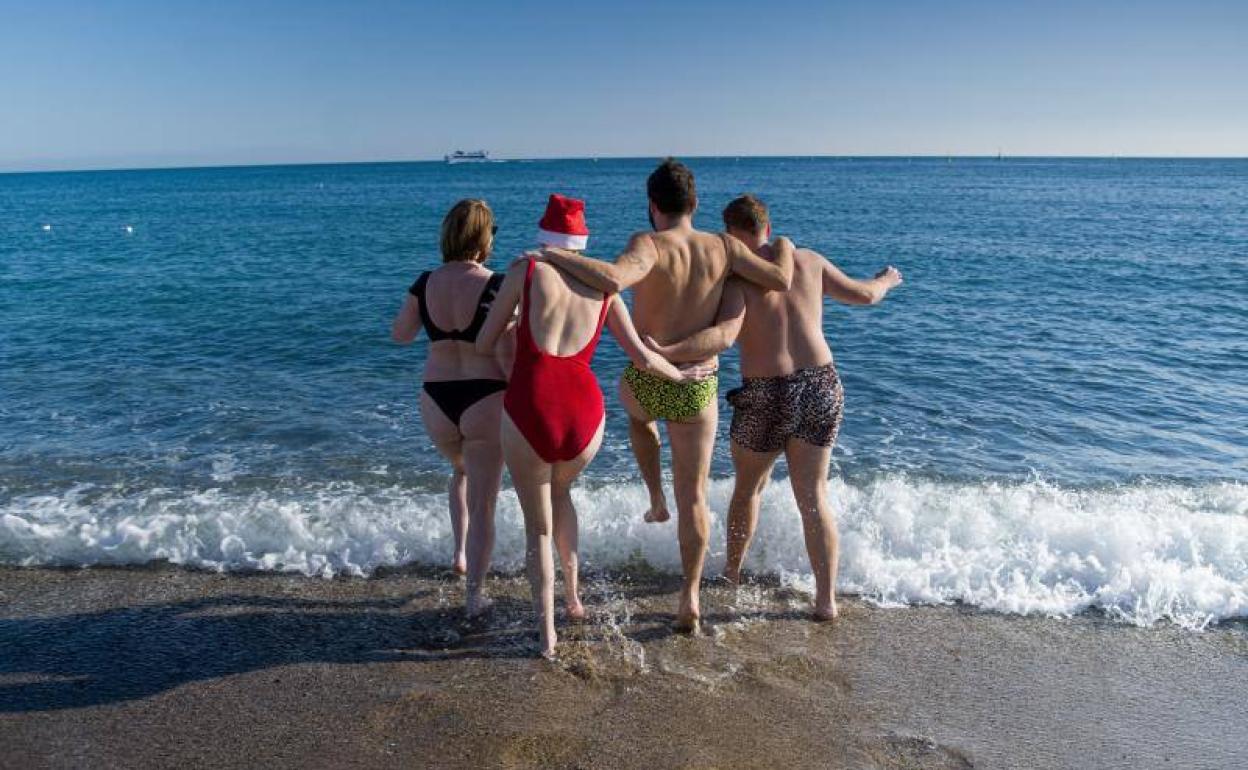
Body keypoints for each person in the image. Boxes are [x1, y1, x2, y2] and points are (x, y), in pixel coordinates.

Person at [540, 158, 794, 632]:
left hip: (648, 379)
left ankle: (655, 496)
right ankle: (690, 597)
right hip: (696, 388)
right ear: (695, 205)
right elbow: (780, 279)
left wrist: (556, 256)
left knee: (636, 416)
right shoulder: (723, 247)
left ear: (653, 205)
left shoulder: (649, 243)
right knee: (694, 497)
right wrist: (783, 246)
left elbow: (614, 279)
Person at [648, 194, 902, 619]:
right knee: (813, 496)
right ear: (767, 226)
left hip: (766, 393)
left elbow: (726, 335)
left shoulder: (736, 279)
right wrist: (888, 279)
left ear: (732, 234)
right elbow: (864, 296)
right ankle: (826, 602)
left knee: (749, 489)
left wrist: (666, 351)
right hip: (821, 385)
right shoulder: (809, 261)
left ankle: (731, 575)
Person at [477, 194, 706, 657]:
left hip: (531, 404)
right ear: (581, 243)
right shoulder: (606, 290)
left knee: (536, 529)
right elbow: (642, 357)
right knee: (562, 493)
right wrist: (681, 374)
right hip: (585, 413)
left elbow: (485, 344)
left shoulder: (526, 271)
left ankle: (547, 635)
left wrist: (514, 324)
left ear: (545, 237)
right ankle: (575, 600)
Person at [391, 199, 509, 617]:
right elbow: (510, 349)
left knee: (459, 471)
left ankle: (459, 554)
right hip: (485, 397)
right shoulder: (498, 284)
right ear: (484, 237)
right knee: (484, 503)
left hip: (437, 399)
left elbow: (401, 334)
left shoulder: (424, 282)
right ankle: (475, 596)